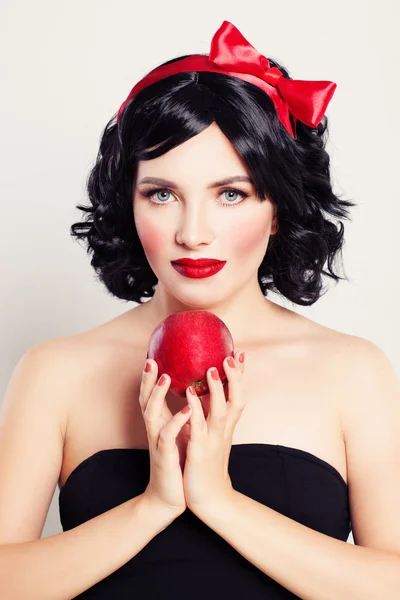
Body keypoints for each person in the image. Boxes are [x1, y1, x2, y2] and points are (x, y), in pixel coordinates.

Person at [1, 19, 400, 600]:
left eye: (230, 194)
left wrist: (219, 500)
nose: (193, 233)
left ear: (279, 208)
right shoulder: (56, 370)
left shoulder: (352, 371)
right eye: (162, 194)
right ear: (128, 204)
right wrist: (154, 505)